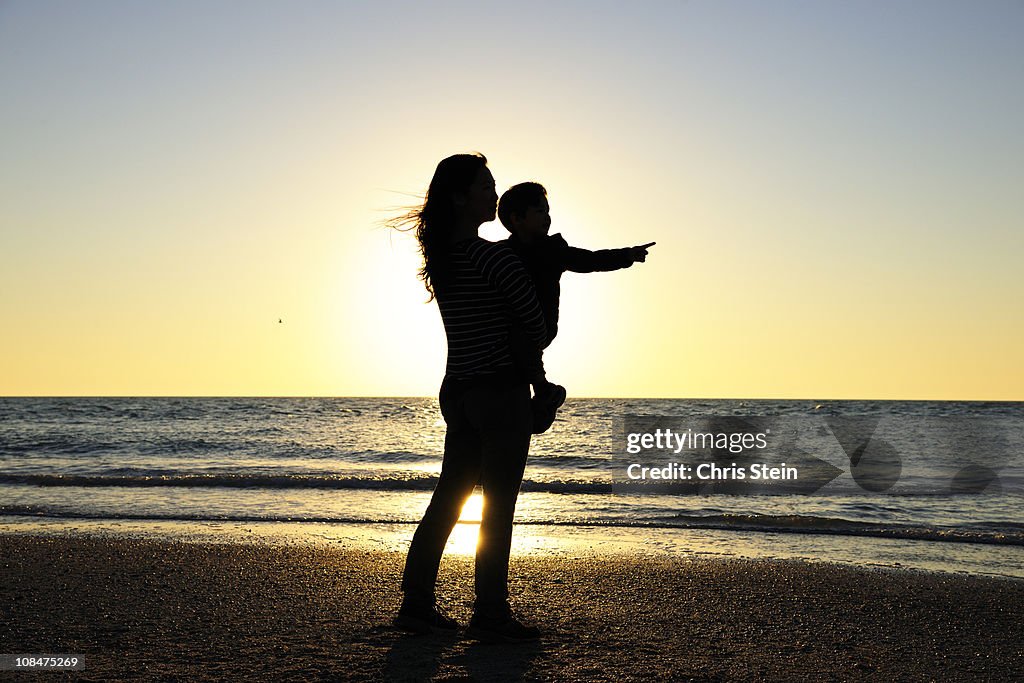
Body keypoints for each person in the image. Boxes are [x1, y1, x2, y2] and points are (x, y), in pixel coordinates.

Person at [391, 154, 548, 642]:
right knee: (498, 504)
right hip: (498, 390)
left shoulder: (442, 260)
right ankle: (491, 614)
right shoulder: (494, 258)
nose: (494, 195)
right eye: (485, 187)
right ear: (460, 197)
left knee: (448, 499)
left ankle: (416, 605)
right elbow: (536, 328)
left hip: (456, 391)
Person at [497, 181, 654, 432]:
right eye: (540, 212)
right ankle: (541, 395)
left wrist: (626, 255)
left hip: (541, 326)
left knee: (524, 343)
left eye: (548, 211)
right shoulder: (501, 253)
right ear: (516, 219)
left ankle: (543, 389)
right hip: (509, 329)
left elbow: (590, 260)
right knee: (516, 348)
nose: (547, 218)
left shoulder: (553, 250)